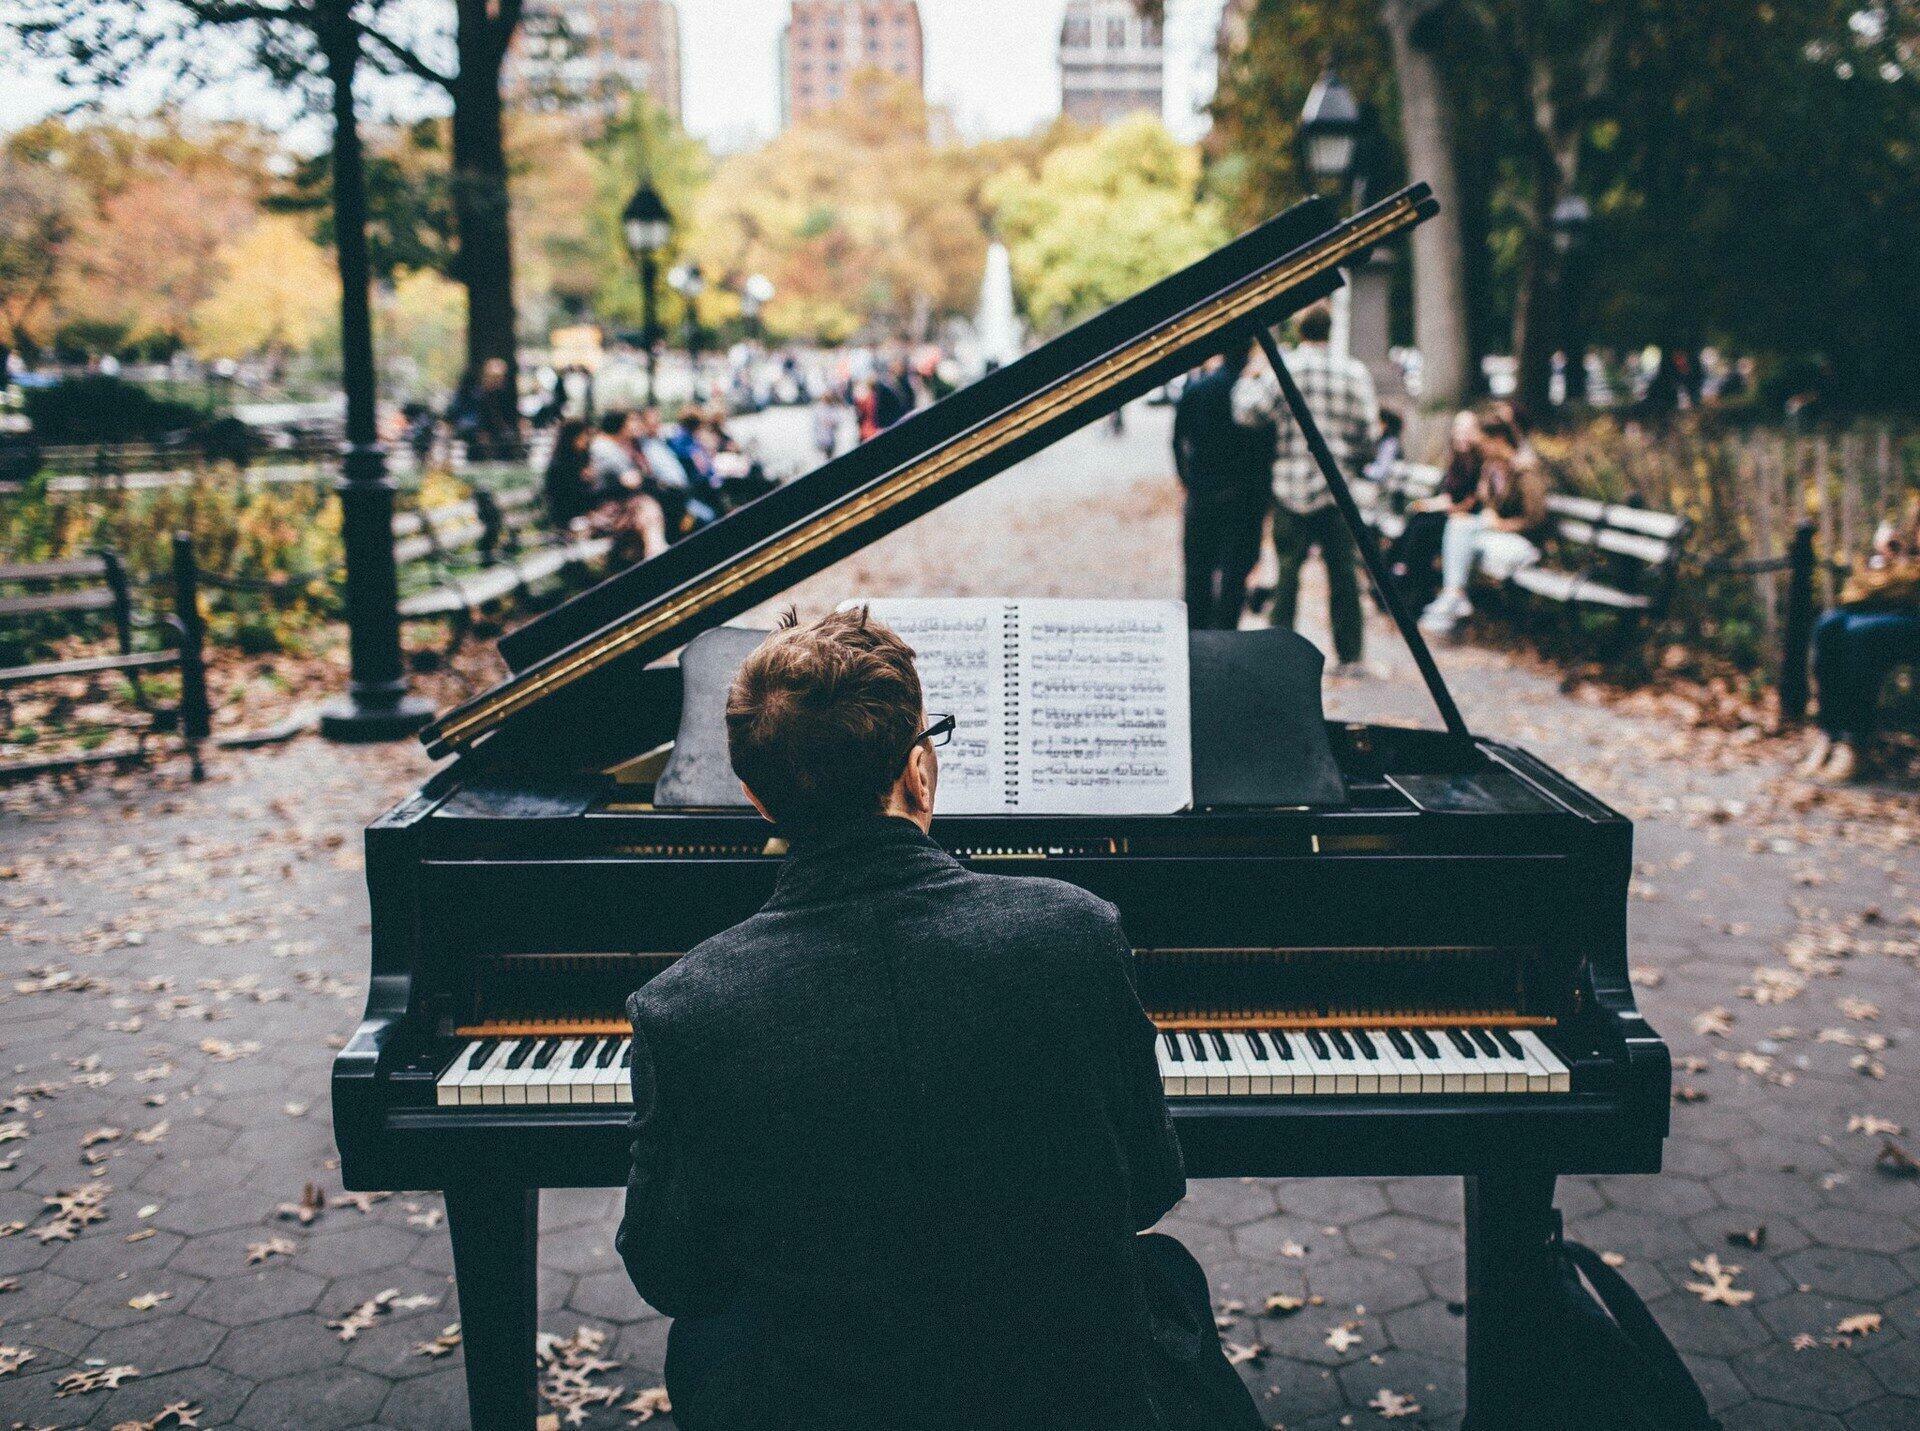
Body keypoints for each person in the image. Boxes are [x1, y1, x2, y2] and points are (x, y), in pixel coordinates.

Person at [618, 609, 1264, 1431]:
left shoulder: (685, 1006)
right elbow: (1148, 1185)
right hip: (1064, 1391)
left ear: (753, 795)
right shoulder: (1075, 932)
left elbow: (674, 1274)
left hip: (824, 1403)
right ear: (919, 769)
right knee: (1162, 1274)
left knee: (710, 1344)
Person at [1231, 301, 1379, 675]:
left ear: (1300, 330)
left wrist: (1249, 378)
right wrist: (1350, 456)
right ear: (1330, 330)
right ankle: (1351, 656)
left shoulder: (1285, 368)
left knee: (1287, 572)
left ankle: (1279, 654)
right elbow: (1370, 433)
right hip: (1337, 488)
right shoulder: (1353, 372)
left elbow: (1247, 414)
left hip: (1289, 485)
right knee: (1343, 573)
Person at [1801, 513, 1920, 784]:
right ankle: (1829, 732)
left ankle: (1854, 742)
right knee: (1829, 625)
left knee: (1862, 634)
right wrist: (1891, 557)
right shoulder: (1906, 554)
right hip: (1898, 613)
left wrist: (1896, 563)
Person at [1418, 412, 1548, 636]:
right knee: (1459, 526)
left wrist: (1502, 525)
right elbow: (1486, 504)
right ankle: (1455, 597)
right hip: (1498, 539)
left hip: (1525, 546)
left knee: (1461, 533)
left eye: (1484, 443)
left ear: (1498, 441)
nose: (1481, 448)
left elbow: (1535, 520)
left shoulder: (1525, 473)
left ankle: (1453, 598)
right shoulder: (1494, 469)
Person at [1173, 346, 1273, 630]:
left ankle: (1195, 636)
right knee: (1235, 573)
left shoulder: (1198, 389)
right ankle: (1226, 634)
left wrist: (1186, 479)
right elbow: (1266, 450)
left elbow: (1178, 440)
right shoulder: (1254, 396)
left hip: (1202, 492)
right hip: (1245, 496)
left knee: (1197, 572)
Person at [1385, 409, 1482, 600]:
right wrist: (1429, 504)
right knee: (1418, 519)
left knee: (1423, 526)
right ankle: (1398, 571)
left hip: (1461, 519)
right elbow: (1448, 494)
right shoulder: (1457, 459)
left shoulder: (1478, 461)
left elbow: (1471, 501)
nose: (1461, 433)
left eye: (1466, 429)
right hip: (1447, 514)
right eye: (1458, 428)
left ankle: (1403, 576)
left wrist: (1440, 507)